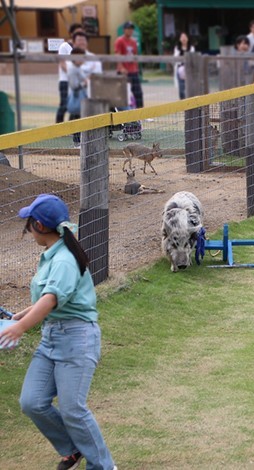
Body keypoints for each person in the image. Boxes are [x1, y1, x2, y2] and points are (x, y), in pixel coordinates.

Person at [0, 194, 117, 470]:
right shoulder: (55, 253)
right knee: (32, 402)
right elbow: (52, 298)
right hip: (52, 337)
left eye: (29, 224)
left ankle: (103, 465)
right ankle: (72, 449)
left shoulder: (64, 259)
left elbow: (52, 299)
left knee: (73, 408)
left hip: (77, 340)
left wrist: (19, 327)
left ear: (39, 226)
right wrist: (23, 314)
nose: (28, 230)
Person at [56, 23, 83, 124]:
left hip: (76, 81)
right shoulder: (64, 46)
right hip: (65, 80)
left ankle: (72, 127)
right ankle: (58, 126)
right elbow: (62, 63)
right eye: (77, 32)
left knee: (75, 104)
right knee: (64, 104)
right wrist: (71, 74)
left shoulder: (80, 49)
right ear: (71, 33)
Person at [115, 21, 143, 109]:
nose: (130, 31)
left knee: (138, 93)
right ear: (124, 30)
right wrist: (121, 68)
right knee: (123, 94)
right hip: (124, 71)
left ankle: (141, 112)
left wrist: (136, 68)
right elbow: (118, 55)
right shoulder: (119, 41)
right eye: (128, 29)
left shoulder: (133, 42)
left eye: (131, 29)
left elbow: (135, 55)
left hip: (133, 70)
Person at [67, 47, 90, 147]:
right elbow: (73, 85)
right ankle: (77, 142)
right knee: (77, 119)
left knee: (79, 119)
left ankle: (79, 141)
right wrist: (84, 83)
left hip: (81, 97)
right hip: (76, 98)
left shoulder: (77, 68)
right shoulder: (72, 69)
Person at [173, 32, 195, 100]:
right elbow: (175, 58)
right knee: (181, 88)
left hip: (189, 70)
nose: (183, 39)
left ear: (187, 38)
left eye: (185, 37)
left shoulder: (191, 47)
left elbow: (192, 58)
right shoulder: (177, 48)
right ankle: (182, 103)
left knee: (190, 87)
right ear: (180, 39)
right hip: (180, 70)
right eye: (182, 37)